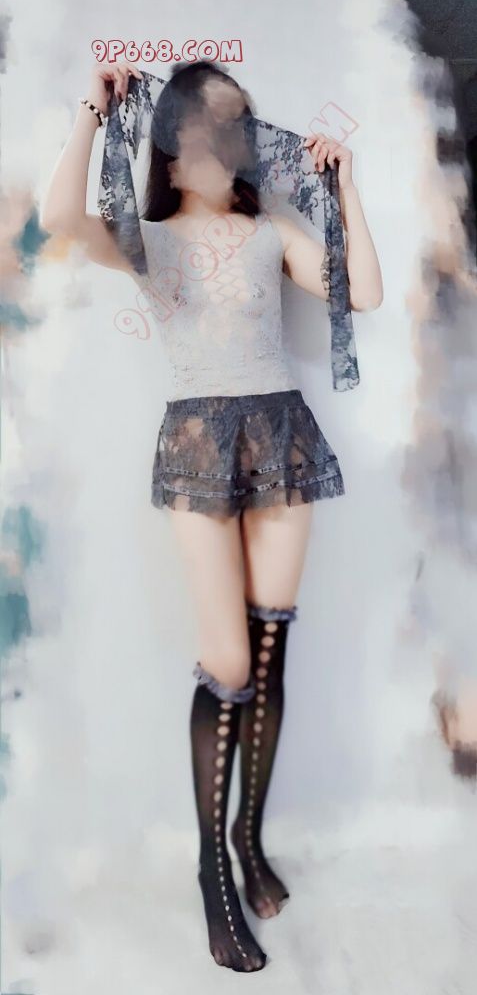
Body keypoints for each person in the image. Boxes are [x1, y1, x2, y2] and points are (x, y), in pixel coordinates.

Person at [40, 59, 383, 973]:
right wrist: (91, 109)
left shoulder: (270, 229)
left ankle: (247, 839)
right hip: (197, 442)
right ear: (173, 145)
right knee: (226, 661)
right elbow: (59, 218)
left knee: (268, 652)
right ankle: (209, 871)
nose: (226, 148)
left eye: (237, 131)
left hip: (282, 435)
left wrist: (344, 187)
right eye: (209, 132)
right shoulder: (147, 238)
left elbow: (363, 292)